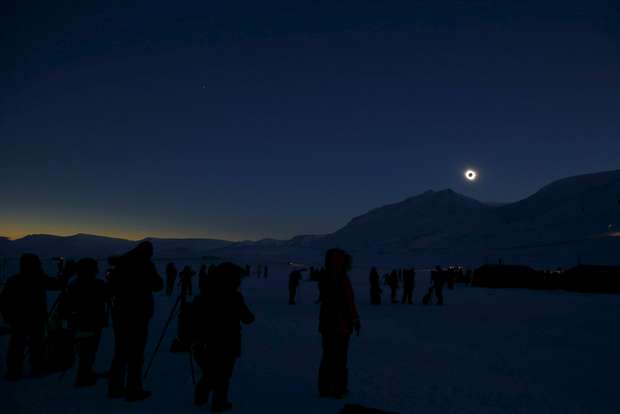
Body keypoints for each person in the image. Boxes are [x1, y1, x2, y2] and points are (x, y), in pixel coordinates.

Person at [191, 263, 255, 411]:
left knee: (210, 372)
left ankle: (200, 398)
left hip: (206, 341)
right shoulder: (233, 296)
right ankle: (219, 402)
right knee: (223, 373)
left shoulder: (205, 293)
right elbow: (247, 318)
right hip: (227, 341)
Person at [107, 241, 163, 401]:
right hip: (138, 313)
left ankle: (115, 388)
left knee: (120, 351)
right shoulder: (145, 265)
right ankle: (134, 389)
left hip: (120, 313)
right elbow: (158, 285)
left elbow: (111, 288)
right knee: (136, 353)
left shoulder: (120, 264)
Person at [0, 253, 65, 380]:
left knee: (19, 346)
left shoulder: (15, 280)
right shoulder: (38, 278)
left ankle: (14, 371)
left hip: (20, 320)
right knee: (35, 345)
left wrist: (8, 318)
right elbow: (57, 285)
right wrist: (66, 274)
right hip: (34, 319)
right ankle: (36, 368)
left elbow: (3, 301)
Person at [318, 248, 360, 399]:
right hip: (340, 325)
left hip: (326, 323)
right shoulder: (341, 279)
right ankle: (338, 388)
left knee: (328, 355)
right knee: (340, 357)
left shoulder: (325, 276)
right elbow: (348, 301)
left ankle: (325, 387)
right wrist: (355, 319)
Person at [59, 258, 108, 386]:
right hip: (92, 321)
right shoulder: (98, 284)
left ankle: (86, 373)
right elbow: (108, 295)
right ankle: (84, 376)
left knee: (83, 349)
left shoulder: (73, 284)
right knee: (89, 349)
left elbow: (65, 305)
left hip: (76, 321)